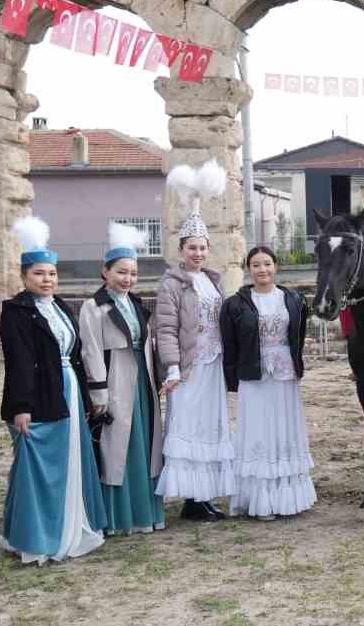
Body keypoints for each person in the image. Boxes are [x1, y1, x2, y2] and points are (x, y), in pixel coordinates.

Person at [0, 216, 107, 564]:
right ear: (24, 276)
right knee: (39, 465)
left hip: (69, 389)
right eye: (39, 274)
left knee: (71, 460)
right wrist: (21, 406)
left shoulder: (61, 307)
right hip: (40, 394)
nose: (47, 280)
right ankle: (38, 536)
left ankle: (71, 526)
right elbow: (18, 361)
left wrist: (87, 397)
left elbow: (74, 354)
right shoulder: (15, 312)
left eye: (52, 274)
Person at [155, 160, 236, 521]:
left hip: (212, 363)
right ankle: (190, 496)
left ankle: (204, 494)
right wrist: (172, 367)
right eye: (192, 248)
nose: (198, 253)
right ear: (181, 249)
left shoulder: (213, 281)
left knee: (209, 425)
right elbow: (166, 327)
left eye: (202, 248)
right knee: (186, 424)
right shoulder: (171, 285)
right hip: (187, 367)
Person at [77, 223, 166, 536]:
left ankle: (147, 513)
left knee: (146, 446)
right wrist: (99, 394)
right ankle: (120, 517)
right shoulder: (94, 307)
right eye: (121, 272)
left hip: (142, 383)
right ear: (106, 272)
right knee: (118, 449)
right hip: (115, 382)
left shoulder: (137, 304)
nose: (128, 279)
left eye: (133, 273)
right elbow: (90, 351)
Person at [220, 245, 316, 520]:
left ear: (276, 267)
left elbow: (298, 332)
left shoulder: (293, 298)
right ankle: (259, 499)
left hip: (285, 375)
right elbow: (230, 344)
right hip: (254, 375)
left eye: (267, 264)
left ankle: (289, 496)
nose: (262, 270)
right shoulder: (236, 304)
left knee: (286, 428)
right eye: (256, 265)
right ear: (248, 269)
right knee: (258, 430)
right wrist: (233, 378)